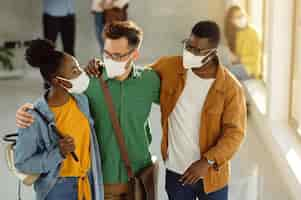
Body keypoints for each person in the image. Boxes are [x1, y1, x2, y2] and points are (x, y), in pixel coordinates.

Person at [15, 21, 160, 200]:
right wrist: (25, 112)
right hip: (96, 186)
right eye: (106, 53)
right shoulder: (89, 84)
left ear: (135, 54)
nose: (109, 60)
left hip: (139, 183)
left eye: (117, 55)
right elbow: (53, 99)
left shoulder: (150, 81)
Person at [150, 21, 246, 200]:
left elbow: (234, 134)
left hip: (212, 177)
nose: (189, 53)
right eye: (188, 45)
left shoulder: (231, 88)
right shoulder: (169, 67)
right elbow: (138, 80)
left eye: (196, 50)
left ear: (212, 53)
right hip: (176, 173)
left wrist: (206, 161)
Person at [14, 39, 104, 200]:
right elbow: (22, 163)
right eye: (74, 70)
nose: (81, 73)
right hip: (58, 189)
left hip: (88, 182)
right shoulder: (33, 117)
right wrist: (58, 153)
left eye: (78, 67)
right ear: (58, 81)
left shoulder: (81, 101)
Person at [225, 5, 262, 80]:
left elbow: (255, 57)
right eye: (237, 17)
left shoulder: (253, 33)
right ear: (232, 20)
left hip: (251, 70)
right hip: (240, 66)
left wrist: (239, 59)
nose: (241, 18)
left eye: (242, 15)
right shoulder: (236, 33)